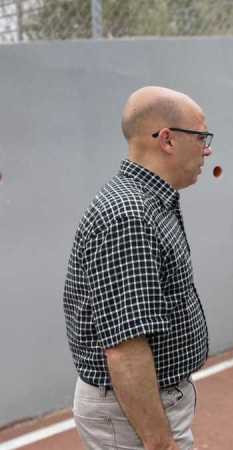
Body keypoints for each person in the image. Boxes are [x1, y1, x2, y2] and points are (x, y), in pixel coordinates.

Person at [63, 86, 214, 450]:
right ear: (167, 140)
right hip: (133, 414)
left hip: (141, 407)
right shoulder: (130, 215)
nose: (207, 149)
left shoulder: (147, 203)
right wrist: (159, 442)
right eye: (201, 137)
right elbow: (125, 348)